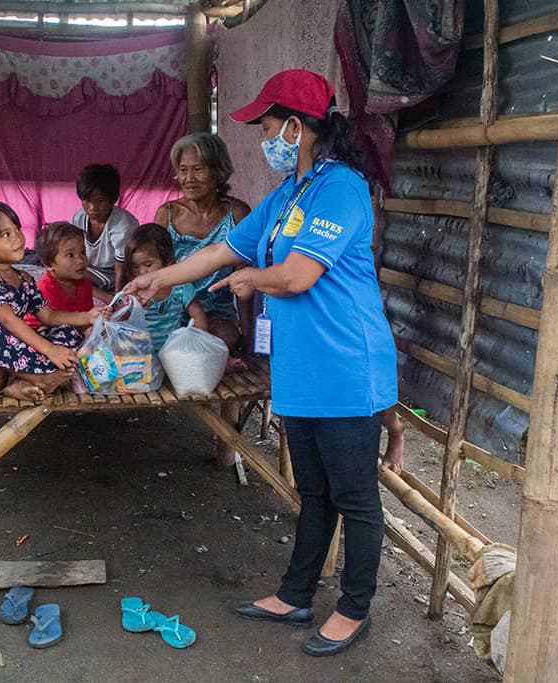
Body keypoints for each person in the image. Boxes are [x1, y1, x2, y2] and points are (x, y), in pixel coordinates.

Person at [126, 69, 398, 657]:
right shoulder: (286, 196)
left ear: (297, 127)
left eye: (269, 126)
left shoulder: (342, 188)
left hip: (347, 368)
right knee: (316, 492)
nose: (263, 137)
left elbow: (298, 275)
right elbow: (221, 251)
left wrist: (251, 278)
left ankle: (354, 608)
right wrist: (157, 279)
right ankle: (296, 593)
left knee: (355, 497)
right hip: (300, 371)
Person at [0, 201, 102, 402]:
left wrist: (87, 316)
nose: (17, 237)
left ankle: (15, 384)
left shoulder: (24, 278)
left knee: (68, 331)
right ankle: (34, 378)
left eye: (17, 229)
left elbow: (49, 315)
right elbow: (8, 320)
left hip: (14, 357)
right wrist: (50, 350)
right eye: (6, 234)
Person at [154, 133, 251, 351]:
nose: (189, 178)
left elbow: (244, 280)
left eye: (198, 169)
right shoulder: (167, 214)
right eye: (183, 169)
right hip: (173, 313)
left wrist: (248, 338)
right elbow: (153, 269)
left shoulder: (237, 213)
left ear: (218, 171)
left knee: (221, 339)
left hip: (217, 315)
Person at [124, 223, 207, 351]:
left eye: (148, 264)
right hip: (142, 355)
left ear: (168, 261)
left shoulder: (181, 287)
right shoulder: (133, 291)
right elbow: (122, 320)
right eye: (135, 267)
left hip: (173, 353)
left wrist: (198, 344)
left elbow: (198, 315)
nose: (141, 272)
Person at [71, 164, 139, 292]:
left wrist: (118, 296)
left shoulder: (123, 225)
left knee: (72, 278)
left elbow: (121, 268)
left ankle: (107, 298)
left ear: (113, 199)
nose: (92, 207)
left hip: (113, 273)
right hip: (89, 268)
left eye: (100, 201)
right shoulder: (79, 217)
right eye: (86, 200)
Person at [25, 222, 103, 330]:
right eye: (70, 255)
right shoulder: (44, 290)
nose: (80, 260)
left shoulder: (84, 284)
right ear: (49, 264)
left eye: (82, 252)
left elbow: (86, 316)